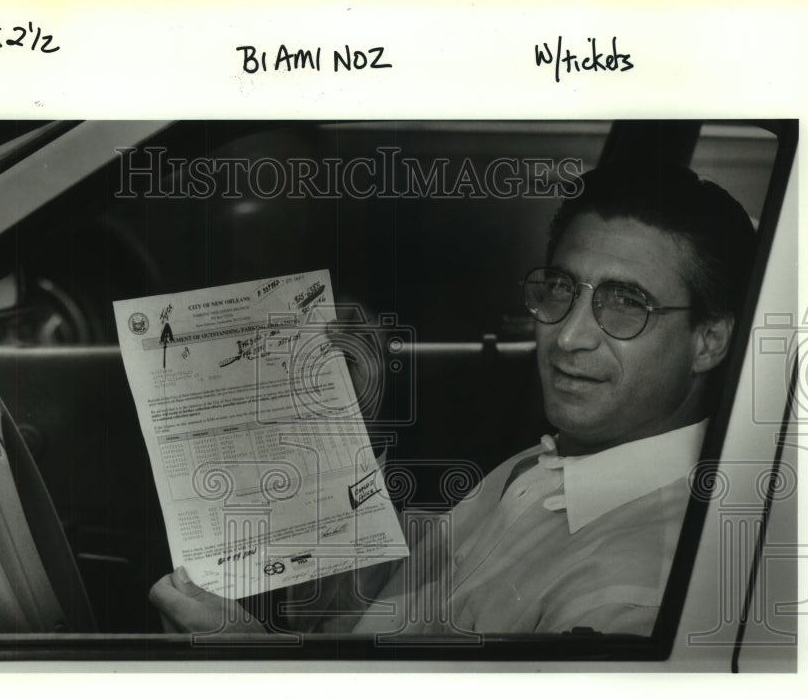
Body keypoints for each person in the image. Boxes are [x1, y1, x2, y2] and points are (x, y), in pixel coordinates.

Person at [148, 160, 757, 637]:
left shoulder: (640, 592)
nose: (568, 335)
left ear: (709, 340)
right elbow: (378, 611)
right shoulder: (546, 468)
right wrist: (340, 430)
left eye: (627, 304)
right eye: (561, 289)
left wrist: (255, 665)